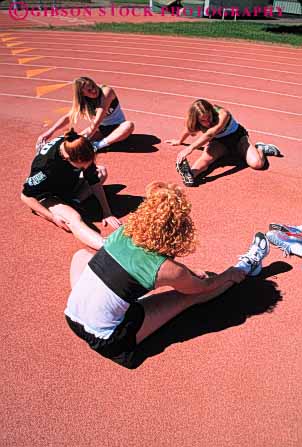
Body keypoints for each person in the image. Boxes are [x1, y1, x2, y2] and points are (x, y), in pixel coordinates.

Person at [65, 181, 270, 368]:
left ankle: (111, 300)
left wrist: (187, 273)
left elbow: (158, 263)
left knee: (83, 255)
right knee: (188, 296)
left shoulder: (123, 231)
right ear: (178, 230)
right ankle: (245, 267)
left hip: (72, 317)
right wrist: (227, 275)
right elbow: (204, 286)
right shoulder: (169, 269)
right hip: (108, 338)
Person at [21, 129, 121, 250]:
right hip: (46, 195)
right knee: (73, 218)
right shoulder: (45, 167)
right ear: (67, 158)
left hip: (64, 183)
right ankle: (108, 247)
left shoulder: (77, 144)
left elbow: (94, 181)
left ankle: (75, 201)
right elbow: (26, 196)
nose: (86, 167)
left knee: (101, 172)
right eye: (82, 165)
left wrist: (107, 212)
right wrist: (51, 217)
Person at [166, 99, 281, 187]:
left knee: (257, 164)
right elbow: (189, 129)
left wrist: (190, 148)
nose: (208, 122)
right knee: (205, 159)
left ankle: (259, 148)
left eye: (209, 117)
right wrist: (180, 141)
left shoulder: (222, 114)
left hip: (238, 138)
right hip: (219, 142)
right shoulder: (194, 120)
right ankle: (191, 174)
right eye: (203, 120)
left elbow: (210, 133)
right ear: (196, 118)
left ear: (212, 111)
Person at [36, 76, 134, 153]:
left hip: (119, 127)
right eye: (89, 90)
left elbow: (98, 120)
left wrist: (87, 139)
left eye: (92, 86)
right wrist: (49, 132)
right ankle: (52, 149)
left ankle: (97, 146)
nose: (93, 90)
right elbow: (69, 116)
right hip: (102, 129)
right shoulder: (84, 101)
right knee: (74, 141)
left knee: (129, 125)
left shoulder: (106, 92)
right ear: (83, 94)